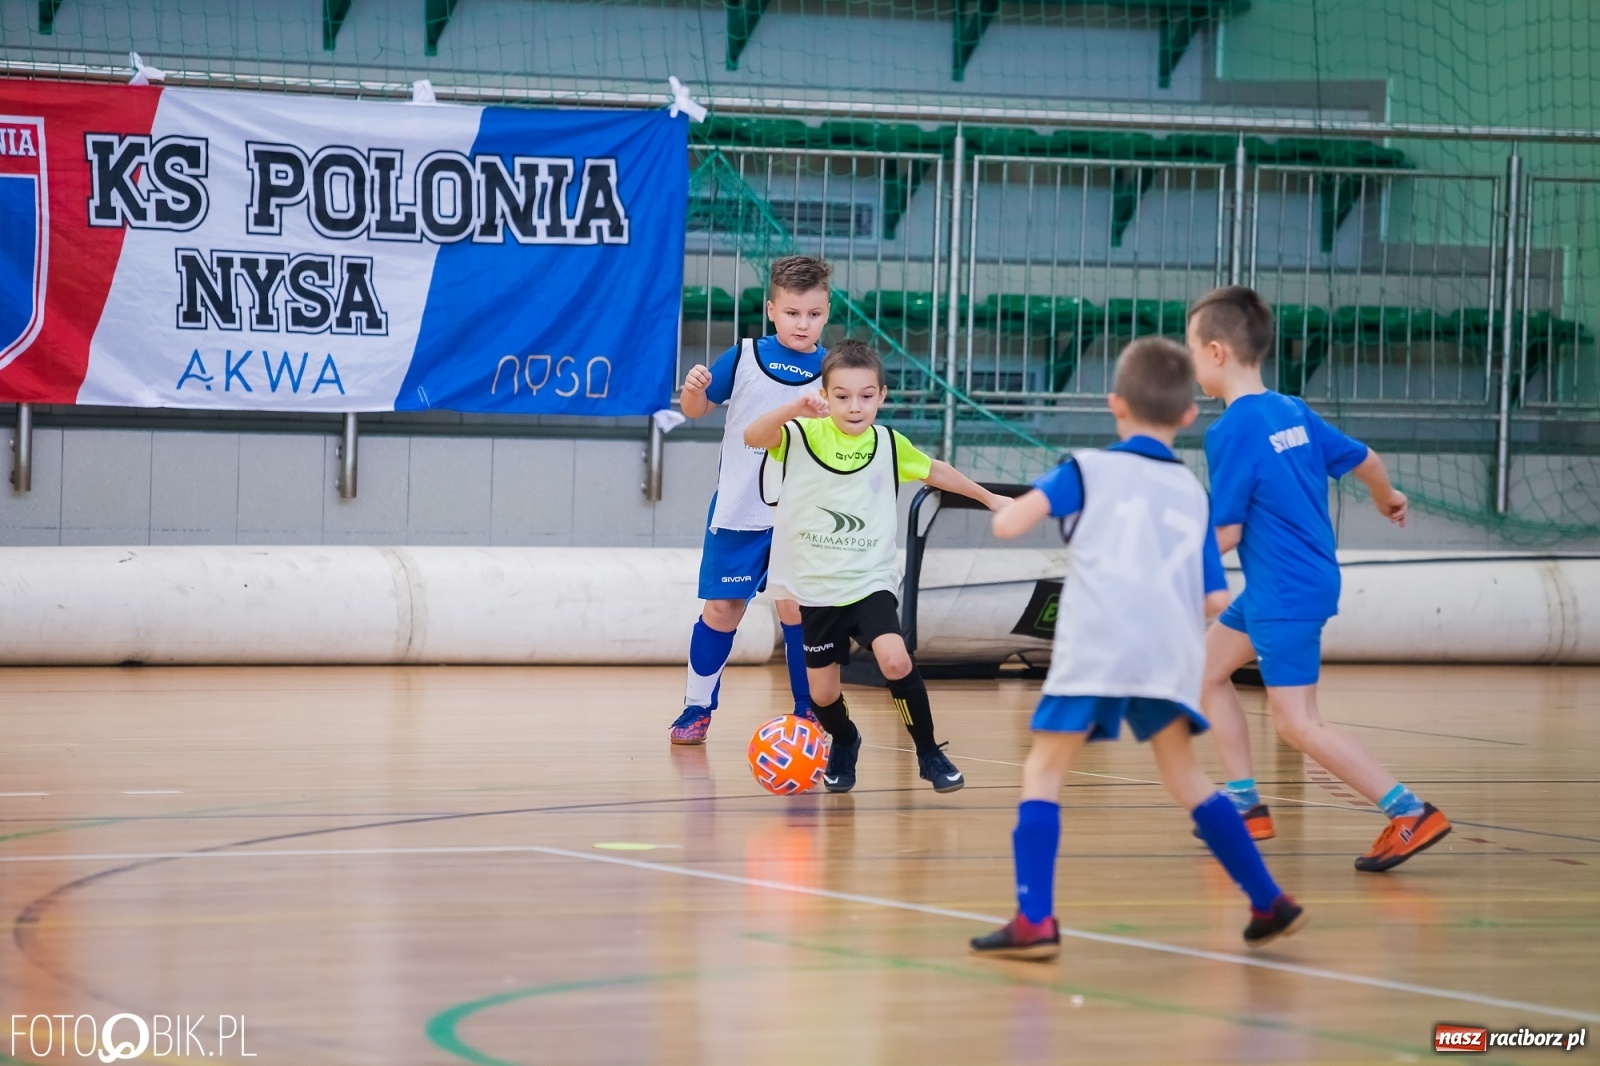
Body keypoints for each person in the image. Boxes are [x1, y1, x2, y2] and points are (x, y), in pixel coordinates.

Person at [970, 337, 1307, 960]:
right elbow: (1212, 598)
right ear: (1186, 415)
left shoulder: (1088, 470)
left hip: (1096, 649)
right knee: (1186, 778)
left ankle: (1034, 919)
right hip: (1168, 657)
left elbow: (1007, 523)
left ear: (1114, 405)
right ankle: (1267, 898)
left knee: (1043, 771)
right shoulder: (1192, 494)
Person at [1187, 285, 1450, 871]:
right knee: (1205, 671)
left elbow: (1226, 534)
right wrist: (1389, 498)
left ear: (1217, 352)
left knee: (1297, 723)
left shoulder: (1229, 430)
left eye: (1192, 352)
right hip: (1293, 581)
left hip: (1284, 592)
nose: (1191, 365)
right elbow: (1367, 460)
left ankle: (1408, 812)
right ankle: (1246, 805)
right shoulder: (1291, 410)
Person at [743, 339, 1007, 793]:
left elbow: (935, 471)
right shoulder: (802, 434)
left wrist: (987, 497)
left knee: (894, 657)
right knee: (823, 695)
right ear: (823, 395)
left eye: (866, 395)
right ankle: (845, 740)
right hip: (814, 590)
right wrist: (792, 409)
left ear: (882, 396)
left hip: (869, 581)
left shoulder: (888, 443)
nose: (855, 406)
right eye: (841, 396)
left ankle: (928, 753)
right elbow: (753, 436)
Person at [668, 256, 833, 746]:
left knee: (799, 613)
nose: (803, 323)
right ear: (771, 310)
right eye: (792, 313)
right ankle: (696, 708)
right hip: (740, 510)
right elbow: (696, 411)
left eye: (814, 314)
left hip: (802, 517)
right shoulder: (741, 357)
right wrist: (691, 391)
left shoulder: (833, 370)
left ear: (826, 312)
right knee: (722, 609)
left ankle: (809, 714)